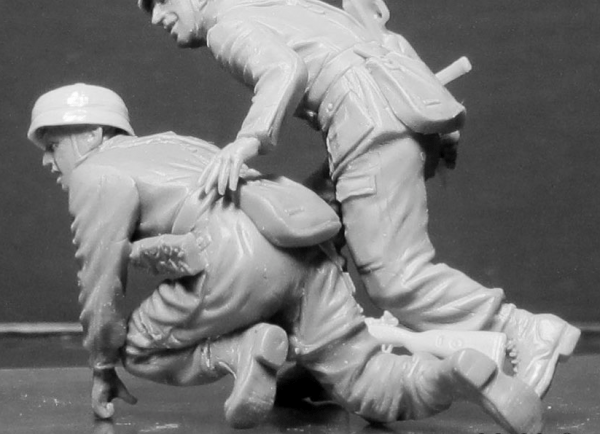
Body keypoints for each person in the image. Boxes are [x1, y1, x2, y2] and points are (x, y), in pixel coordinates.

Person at [135, 0, 581, 399]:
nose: (157, 17)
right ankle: (333, 355)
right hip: (394, 113)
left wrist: (245, 143)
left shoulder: (225, 26)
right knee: (306, 238)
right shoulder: (282, 2)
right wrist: (436, 125)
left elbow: (283, 70)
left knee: (395, 277)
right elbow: (376, 40)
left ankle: (522, 329)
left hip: (366, 127)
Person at [28, 83, 543, 434]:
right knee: (362, 377)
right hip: (302, 244)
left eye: (53, 144)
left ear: (93, 134)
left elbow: (101, 279)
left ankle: (242, 350)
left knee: (137, 349)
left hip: (230, 258)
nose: (49, 161)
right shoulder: (172, 144)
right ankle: (452, 374)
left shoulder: (96, 174)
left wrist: (102, 359)